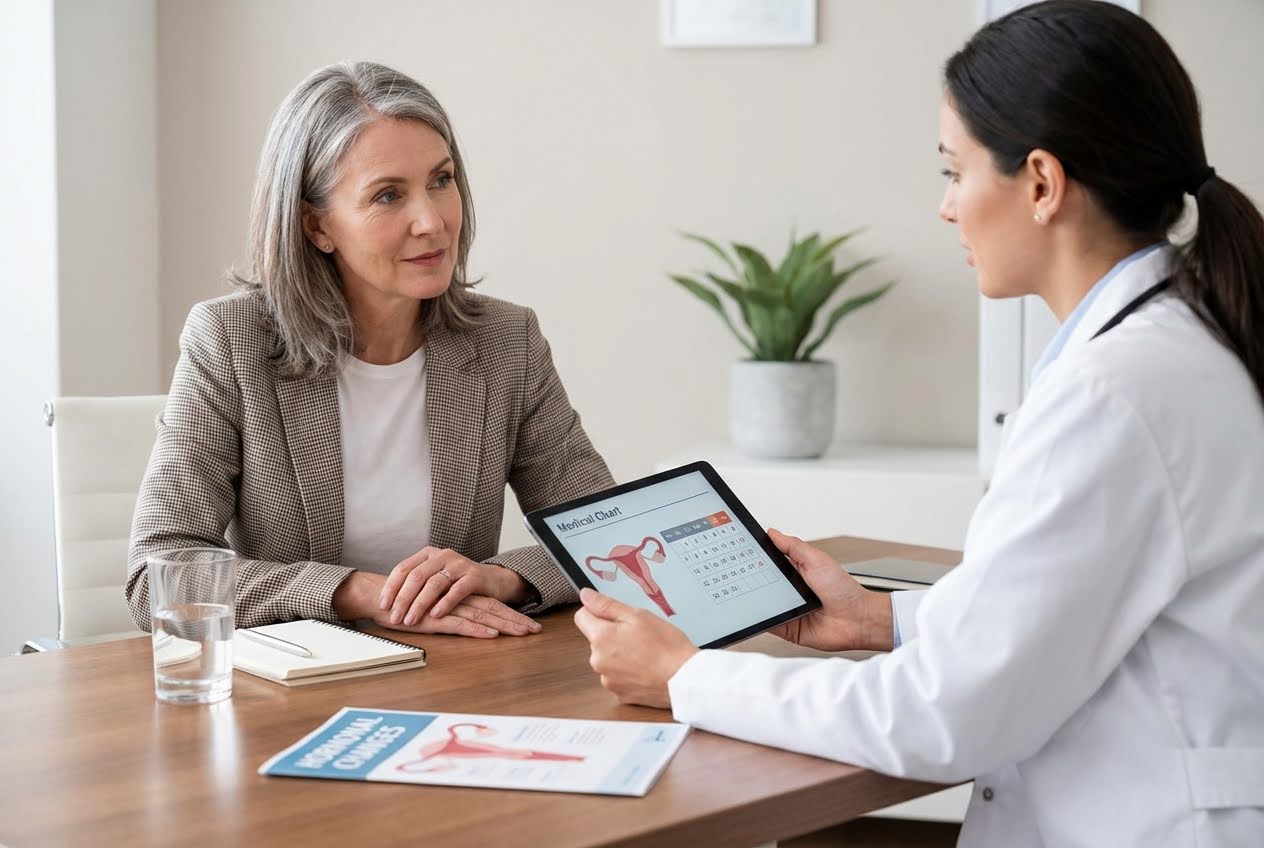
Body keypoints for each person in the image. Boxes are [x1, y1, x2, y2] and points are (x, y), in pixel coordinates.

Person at [574, 2, 1264, 844]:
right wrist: (877, 620)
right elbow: (1055, 613)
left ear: (1041, 183)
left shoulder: (1116, 390)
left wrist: (686, 676)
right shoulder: (1178, 340)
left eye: (954, 170)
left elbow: (945, 716)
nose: (946, 207)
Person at [126, 61, 613, 638]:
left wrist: (500, 578)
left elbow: (607, 531)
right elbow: (160, 573)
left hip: (459, 676)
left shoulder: (507, 342)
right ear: (315, 227)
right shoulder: (230, 343)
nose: (432, 221)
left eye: (441, 179)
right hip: (295, 687)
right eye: (388, 195)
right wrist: (359, 593)